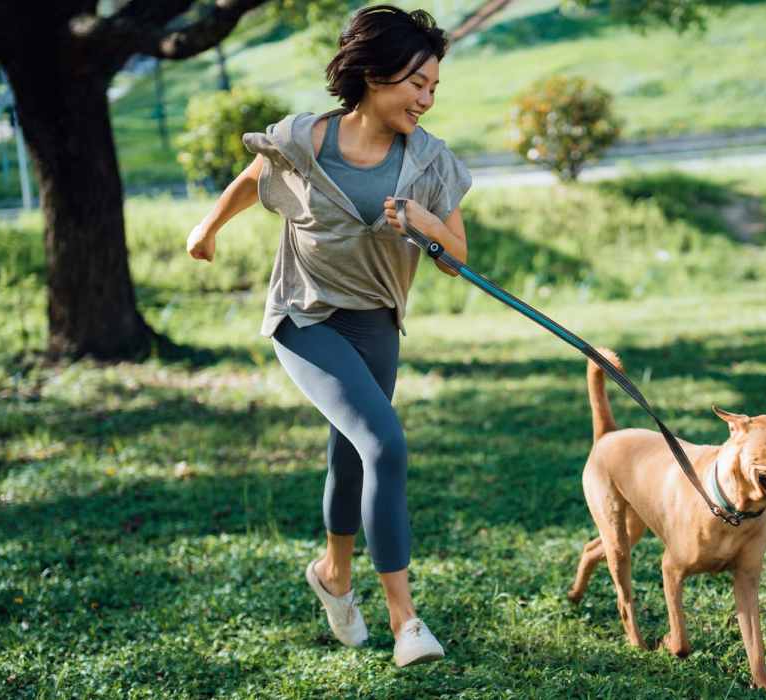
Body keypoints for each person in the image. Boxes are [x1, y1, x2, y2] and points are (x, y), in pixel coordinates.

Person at [186, 4, 472, 667]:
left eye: (434, 87)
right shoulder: (305, 140)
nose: (426, 99)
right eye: (416, 83)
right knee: (384, 444)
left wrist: (422, 221)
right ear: (374, 74)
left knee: (352, 455)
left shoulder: (429, 162)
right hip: (305, 317)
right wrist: (207, 229)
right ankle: (407, 623)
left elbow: (456, 254)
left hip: (377, 322)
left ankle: (334, 575)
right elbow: (258, 176)